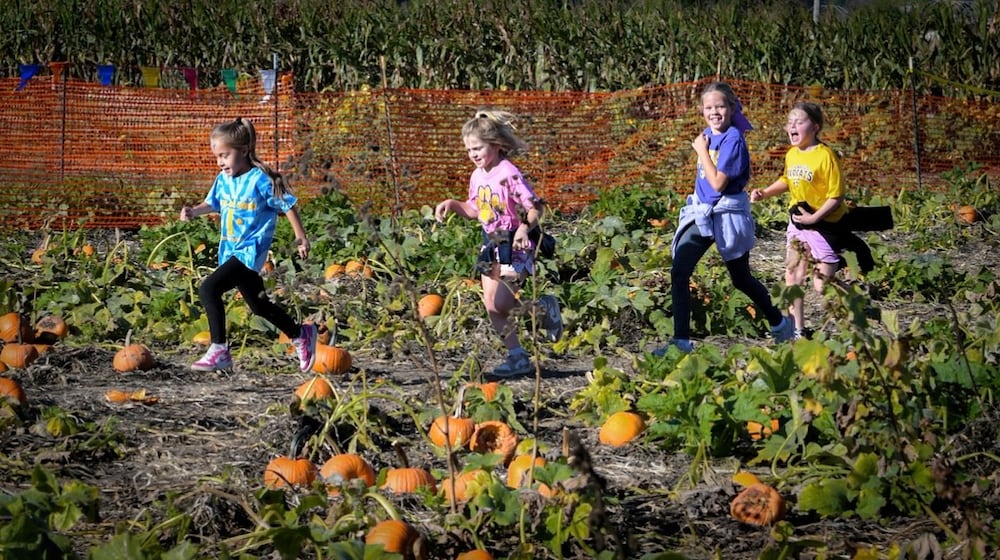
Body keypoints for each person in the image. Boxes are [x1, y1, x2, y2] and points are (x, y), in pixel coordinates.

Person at [656, 82, 794, 355]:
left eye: (720, 106)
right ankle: (681, 342)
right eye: (709, 107)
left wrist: (701, 151)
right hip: (704, 214)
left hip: (727, 215)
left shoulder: (732, 139)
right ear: (701, 111)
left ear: (731, 108)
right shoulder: (707, 135)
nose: (714, 112)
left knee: (740, 279)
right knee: (680, 271)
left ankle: (779, 322)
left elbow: (718, 182)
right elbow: (704, 182)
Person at [179, 117, 317, 372]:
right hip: (230, 250)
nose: (220, 162)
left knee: (208, 289)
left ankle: (219, 349)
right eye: (217, 156)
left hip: (250, 250)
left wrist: (301, 238)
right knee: (258, 305)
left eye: (225, 155)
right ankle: (301, 334)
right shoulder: (223, 180)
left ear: (243, 150)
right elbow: (213, 203)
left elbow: (287, 205)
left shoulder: (259, 179)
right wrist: (193, 211)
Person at [434, 109, 563, 378]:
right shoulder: (477, 175)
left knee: (503, 303)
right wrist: (452, 205)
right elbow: (475, 209)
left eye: (478, 148)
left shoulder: (508, 173)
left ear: (495, 144)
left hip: (514, 244)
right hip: (490, 244)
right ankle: (516, 357)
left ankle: (543, 310)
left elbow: (535, 208)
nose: (473, 154)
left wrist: (524, 229)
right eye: (469, 149)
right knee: (491, 305)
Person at [750, 101, 879, 339]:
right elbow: (787, 180)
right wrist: (765, 192)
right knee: (793, 276)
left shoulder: (825, 156)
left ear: (816, 126)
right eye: (790, 122)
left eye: (799, 122)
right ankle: (798, 331)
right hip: (799, 221)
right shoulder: (792, 154)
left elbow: (836, 196)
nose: (792, 126)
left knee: (821, 285)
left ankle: (855, 296)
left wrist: (815, 217)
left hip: (825, 226)